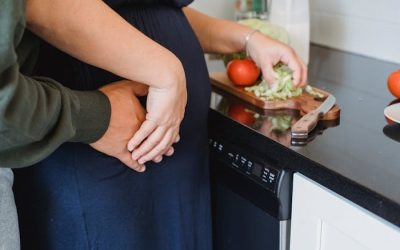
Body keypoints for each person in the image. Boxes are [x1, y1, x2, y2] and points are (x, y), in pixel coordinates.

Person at [12, 0, 307, 250]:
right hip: (104, 139)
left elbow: (148, 7)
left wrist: (247, 38)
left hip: (174, 152)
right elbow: (39, 4)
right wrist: (166, 71)